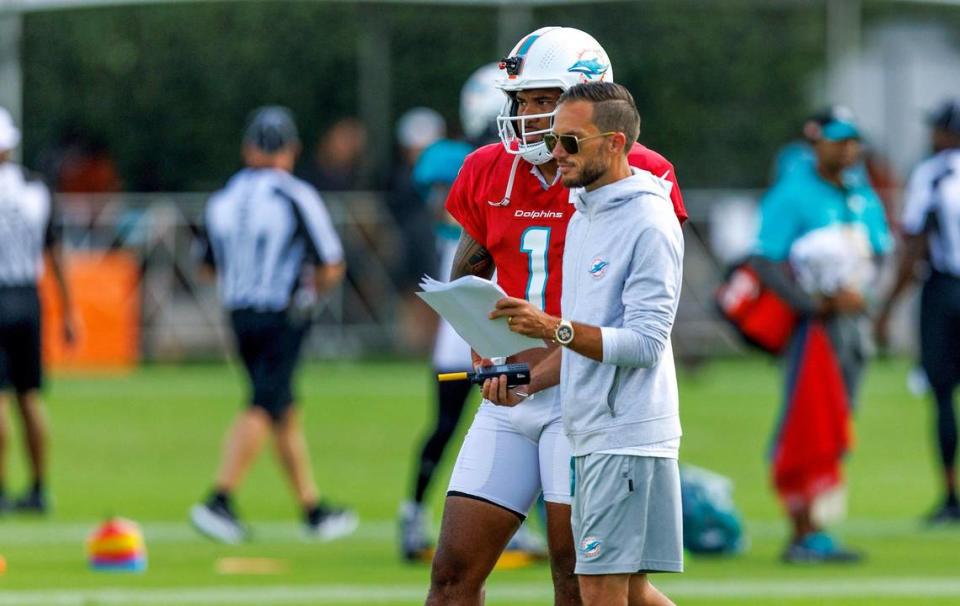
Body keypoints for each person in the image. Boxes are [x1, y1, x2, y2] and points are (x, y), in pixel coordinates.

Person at [425, 27, 687, 606]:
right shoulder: (489, 168)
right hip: (512, 394)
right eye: (521, 101)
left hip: (588, 397)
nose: (527, 115)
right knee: (451, 574)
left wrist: (550, 359)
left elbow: (641, 312)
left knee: (582, 582)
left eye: (544, 100)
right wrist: (479, 338)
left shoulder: (633, 177)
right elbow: (472, 261)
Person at [485, 80, 684, 606]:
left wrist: (551, 328)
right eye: (554, 139)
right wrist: (526, 376)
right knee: (632, 592)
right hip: (594, 430)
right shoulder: (585, 209)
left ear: (615, 144)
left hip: (624, 435)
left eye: (570, 142)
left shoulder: (649, 220)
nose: (555, 154)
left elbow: (646, 343)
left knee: (597, 591)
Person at [400, 63, 548, 562]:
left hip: (503, 306)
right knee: (450, 420)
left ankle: (514, 519)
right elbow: (445, 200)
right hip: (467, 301)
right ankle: (414, 512)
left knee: (531, 416)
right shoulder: (470, 162)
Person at [189, 106, 357, 543]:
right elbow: (331, 264)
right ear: (292, 150)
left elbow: (205, 267)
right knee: (264, 403)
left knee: (283, 410)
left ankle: (312, 508)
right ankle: (219, 499)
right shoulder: (294, 193)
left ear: (247, 148)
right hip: (282, 313)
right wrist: (309, 294)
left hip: (238, 314)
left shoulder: (224, 197)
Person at [750, 108, 892, 562]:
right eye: (837, 140)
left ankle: (820, 525)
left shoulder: (860, 191)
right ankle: (801, 529)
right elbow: (765, 260)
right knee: (804, 420)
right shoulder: (794, 193)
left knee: (837, 420)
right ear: (816, 144)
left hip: (852, 325)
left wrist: (864, 293)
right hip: (812, 329)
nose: (847, 149)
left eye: (853, 140)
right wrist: (815, 304)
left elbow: (881, 249)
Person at [875, 99, 960, 523]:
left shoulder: (934, 172)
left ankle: (950, 494)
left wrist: (887, 308)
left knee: (943, 396)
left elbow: (915, 243)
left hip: (945, 290)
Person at [0, 106, 75, 514]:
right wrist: (70, 311)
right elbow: (56, 254)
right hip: (28, 299)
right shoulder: (36, 188)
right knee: (30, 397)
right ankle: (39, 487)